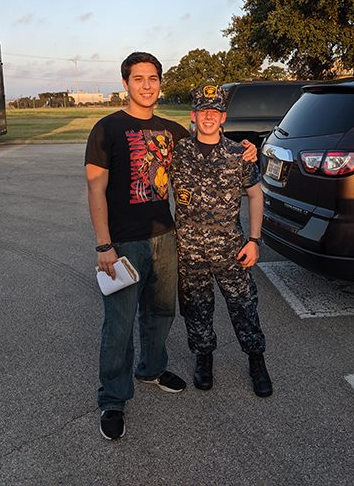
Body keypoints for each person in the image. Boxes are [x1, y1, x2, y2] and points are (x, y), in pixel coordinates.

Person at [84, 52, 256, 440]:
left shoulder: (173, 132)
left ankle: (151, 368)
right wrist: (103, 245)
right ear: (125, 83)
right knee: (119, 323)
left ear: (160, 83)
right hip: (124, 242)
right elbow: (95, 187)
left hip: (167, 236)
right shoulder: (106, 129)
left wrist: (248, 148)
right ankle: (113, 398)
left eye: (153, 78)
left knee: (161, 312)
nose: (147, 85)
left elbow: (213, 144)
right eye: (138, 78)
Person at [170, 84, 273, 397]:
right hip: (189, 251)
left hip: (230, 249)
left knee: (244, 307)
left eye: (214, 111)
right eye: (203, 111)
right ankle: (204, 359)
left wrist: (254, 240)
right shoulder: (178, 153)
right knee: (197, 308)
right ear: (194, 115)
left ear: (223, 116)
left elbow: (256, 195)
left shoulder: (238, 154)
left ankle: (257, 361)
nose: (209, 117)